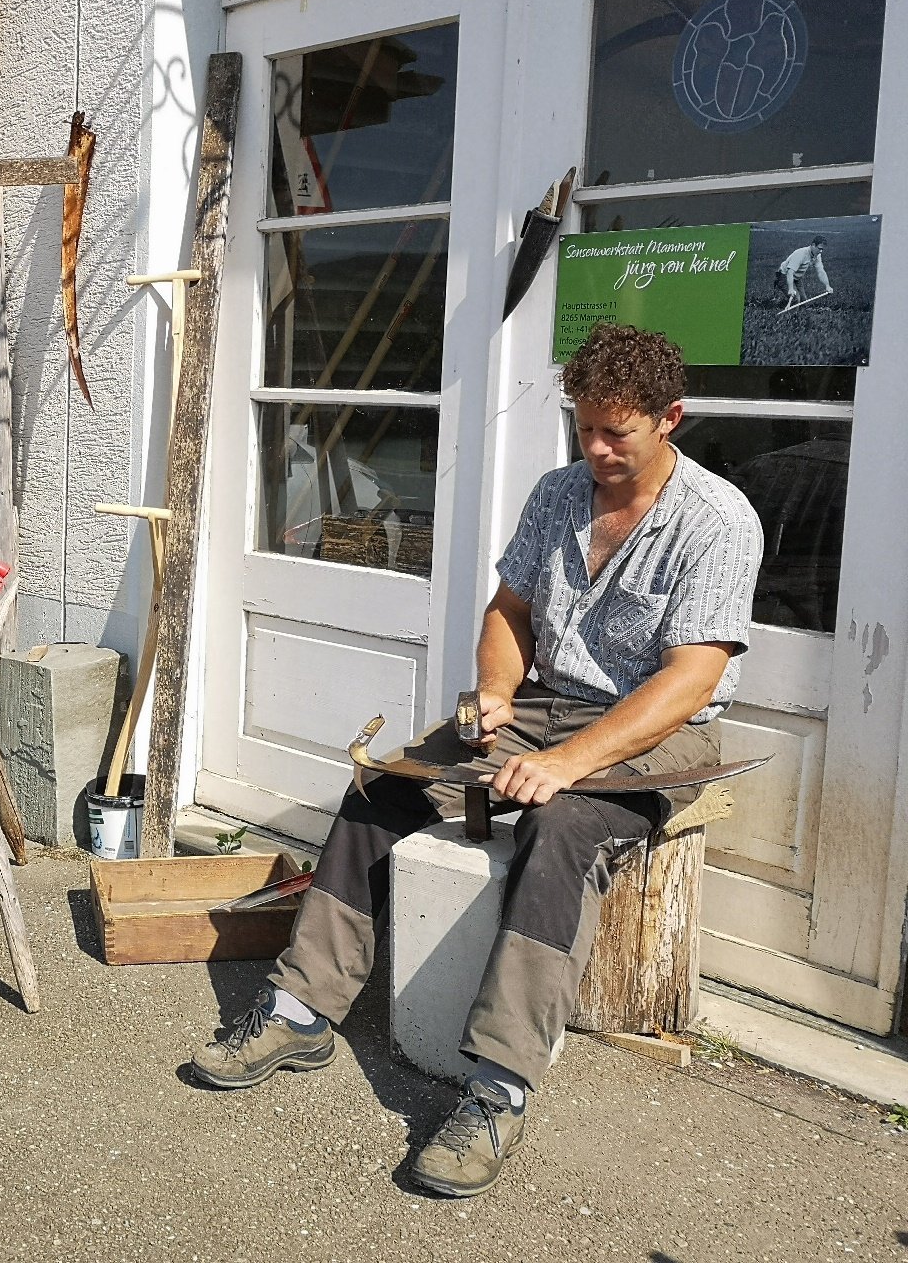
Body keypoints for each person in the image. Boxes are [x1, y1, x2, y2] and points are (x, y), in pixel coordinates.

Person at [190, 322, 762, 1198]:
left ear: (670, 418)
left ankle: (500, 1089)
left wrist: (568, 762)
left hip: (656, 729)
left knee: (560, 831)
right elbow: (510, 613)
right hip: (544, 701)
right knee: (384, 786)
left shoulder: (717, 520)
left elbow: (691, 679)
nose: (596, 449)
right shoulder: (557, 493)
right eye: (584, 428)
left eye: (617, 432)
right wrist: (496, 692)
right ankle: (302, 1008)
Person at [774, 235, 832, 303]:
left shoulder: (817, 255)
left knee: (803, 301)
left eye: (822, 249)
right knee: (796, 300)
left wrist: (827, 286)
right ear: (813, 245)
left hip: (797, 277)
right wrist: (790, 289)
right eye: (819, 248)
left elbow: (821, 272)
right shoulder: (801, 254)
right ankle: (778, 295)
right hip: (784, 275)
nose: (821, 251)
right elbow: (790, 272)